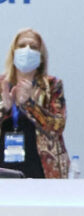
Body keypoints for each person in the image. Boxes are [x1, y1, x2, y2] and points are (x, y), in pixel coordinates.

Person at [1, 28, 68, 178]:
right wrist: (4, 109)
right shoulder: (2, 85)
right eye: (22, 46)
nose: (27, 50)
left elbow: (57, 127)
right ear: (13, 52)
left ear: (41, 55)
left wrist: (30, 105)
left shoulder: (52, 86)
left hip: (41, 166)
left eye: (33, 47)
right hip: (3, 166)